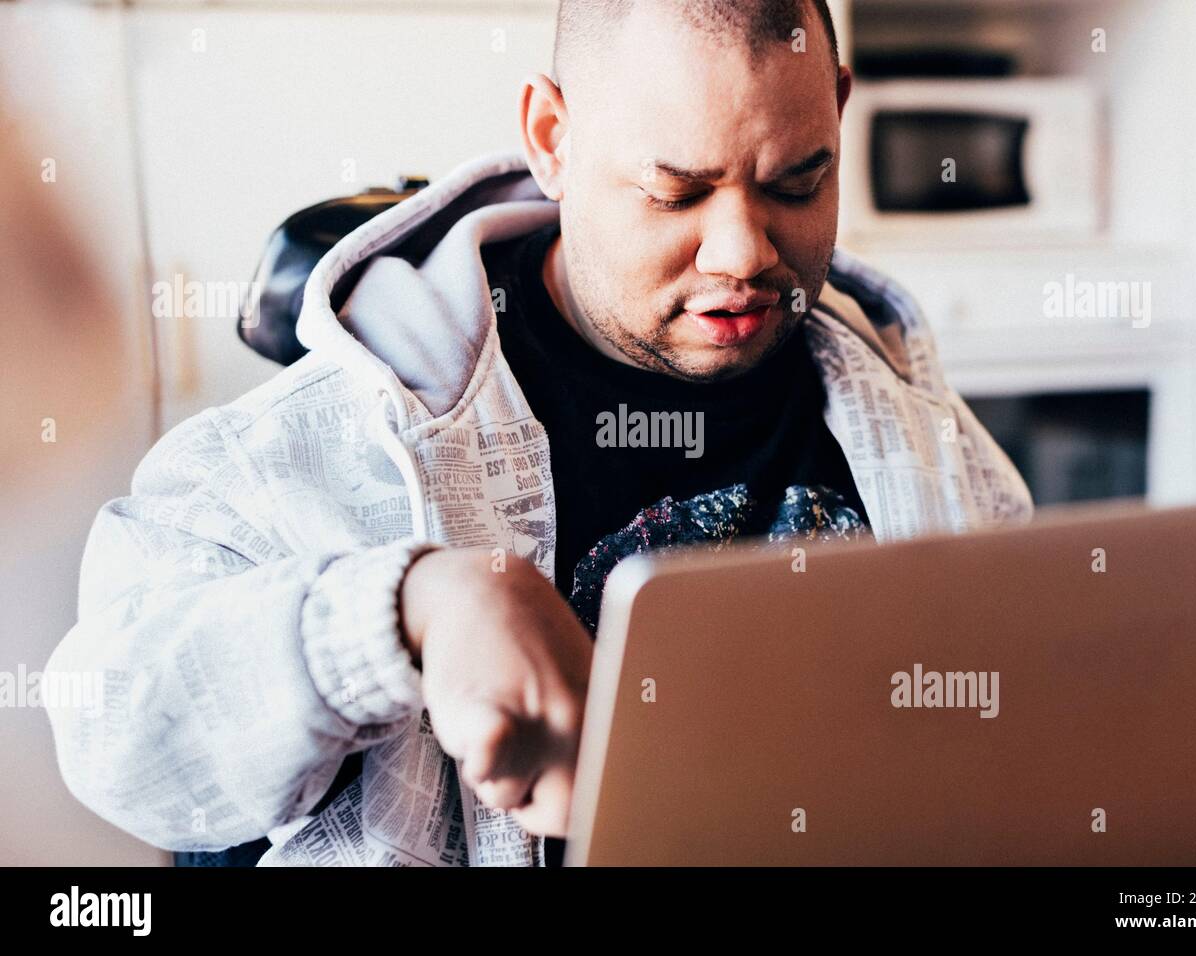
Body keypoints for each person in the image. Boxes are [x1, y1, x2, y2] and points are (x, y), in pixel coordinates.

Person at [45, 0, 1032, 867]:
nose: (744, 252)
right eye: (674, 191)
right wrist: (401, 610)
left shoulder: (905, 412)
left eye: (795, 183)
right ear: (551, 136)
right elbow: (112, 722)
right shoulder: (343, 427)